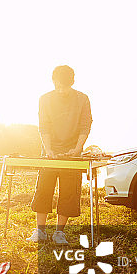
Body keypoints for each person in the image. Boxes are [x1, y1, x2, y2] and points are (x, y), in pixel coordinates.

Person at [27, 65, 92, 245]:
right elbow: (44, 126)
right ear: (53, 82)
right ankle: (40, 231)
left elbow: (85, 125)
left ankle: (59, 233)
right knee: (43, 188)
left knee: (70, 192)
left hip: (73, 152)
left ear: (72, 82)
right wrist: (48, 150)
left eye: (65, 86)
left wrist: (77, 149)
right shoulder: (45, 99)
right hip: (50, 150)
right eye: (58, 86)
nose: (62, 90)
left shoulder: (82, 99)